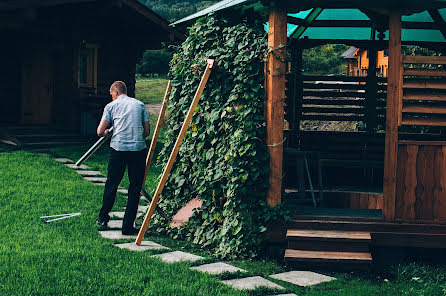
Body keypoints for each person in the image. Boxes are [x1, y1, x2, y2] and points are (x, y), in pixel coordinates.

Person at [96, 81, 150, 235]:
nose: (112, 97)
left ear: (116, 92)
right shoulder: (140, 105)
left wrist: (107, 133)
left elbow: (100, 130)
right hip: (138, 149)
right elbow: (147, 131)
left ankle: (103, 218)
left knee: (112, 183)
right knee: (135, 187)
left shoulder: (111, 106)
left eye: (111, 94)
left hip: (118, 149)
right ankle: (127, 226)